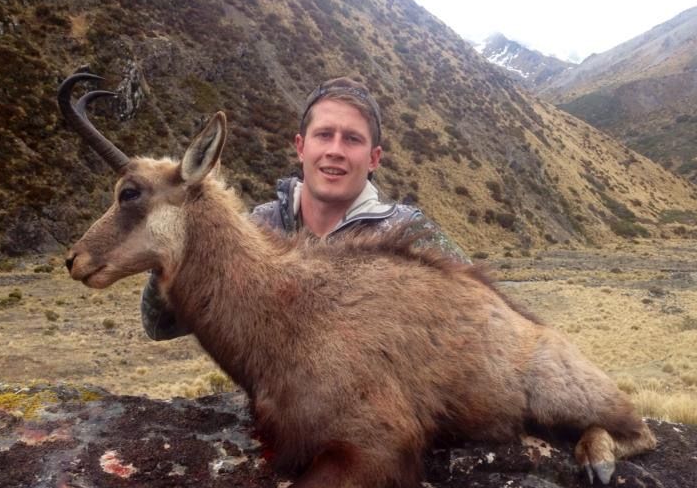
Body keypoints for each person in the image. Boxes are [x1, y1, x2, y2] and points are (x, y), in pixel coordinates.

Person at [141, 77, 465, 340]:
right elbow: (162, 326)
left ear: (373, 159)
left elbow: (484, 325)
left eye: (352, 139)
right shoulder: (255, 230)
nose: (335, 150)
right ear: (301, 147)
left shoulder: (411, 235)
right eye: (324, 135)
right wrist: (182, 234)